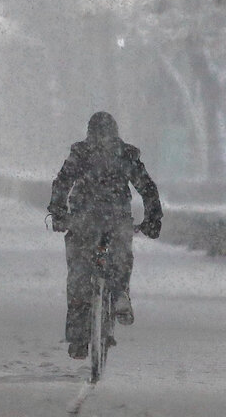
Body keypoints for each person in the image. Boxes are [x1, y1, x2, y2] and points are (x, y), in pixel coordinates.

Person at [47, 111, 162, 359]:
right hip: (115, 218)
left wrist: (58, 213)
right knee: (120, 254)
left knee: (78, 273)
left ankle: (78, 337)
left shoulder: (81, 153)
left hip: (83, 220)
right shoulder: (126, 155)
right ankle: (120, 293)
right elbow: (147, 188)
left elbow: (62, 182)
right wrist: (153, 220)